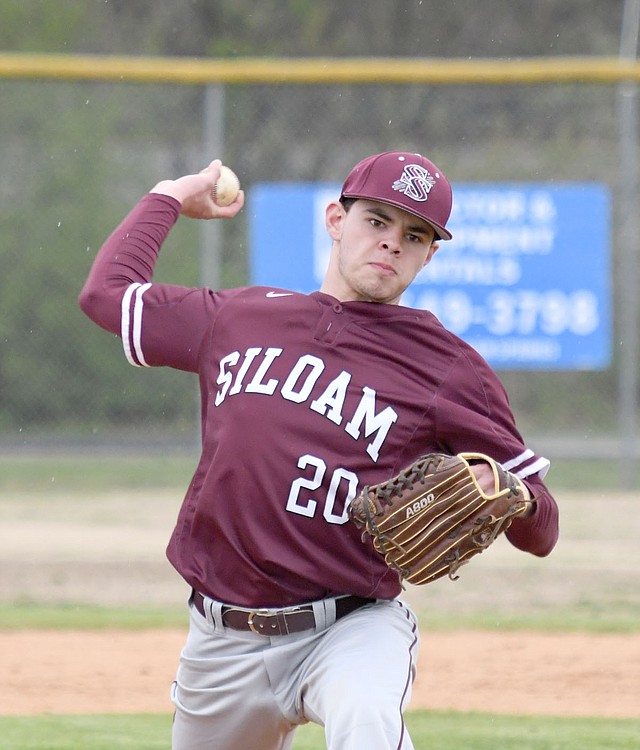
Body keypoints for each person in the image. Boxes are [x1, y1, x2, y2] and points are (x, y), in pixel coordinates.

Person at [79, 151, 559, 750]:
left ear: (430, 254)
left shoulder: (449, 369)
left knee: (367, 727)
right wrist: (169, 195)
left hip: (350, 627)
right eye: (376, 221)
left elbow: (542, 528)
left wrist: (514, 497)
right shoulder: (239, 318)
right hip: (221, 637)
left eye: (414, 234)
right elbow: (106, 295)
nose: (390, 244)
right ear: (336, 219)